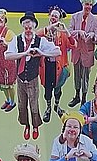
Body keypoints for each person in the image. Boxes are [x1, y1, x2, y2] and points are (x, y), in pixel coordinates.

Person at [4, 13, 61, 141]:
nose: (28, 30)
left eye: (30, 28)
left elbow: (58, 51)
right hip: (20, 79)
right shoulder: (17, 39)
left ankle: (35, 126)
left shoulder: (40, 41)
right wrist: (24, 53)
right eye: (26, 28)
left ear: (34, 27)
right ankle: (26, 125)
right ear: (23, 27)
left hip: (33, 79)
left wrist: (41, 53)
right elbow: (7, 55)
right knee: (21, 105)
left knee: (34, 105)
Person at [68, 0, 97, 106]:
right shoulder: (74, 17)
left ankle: (83, 98)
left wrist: (92, 35)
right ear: (82, 3)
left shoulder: (96, 20)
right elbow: (69, 33)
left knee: (85, 77)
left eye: (91, 5)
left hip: (88, 53)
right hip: (77, 52)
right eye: (87, 4)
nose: (88, 7)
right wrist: (78, 32)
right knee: (77, 76)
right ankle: (77, 96)